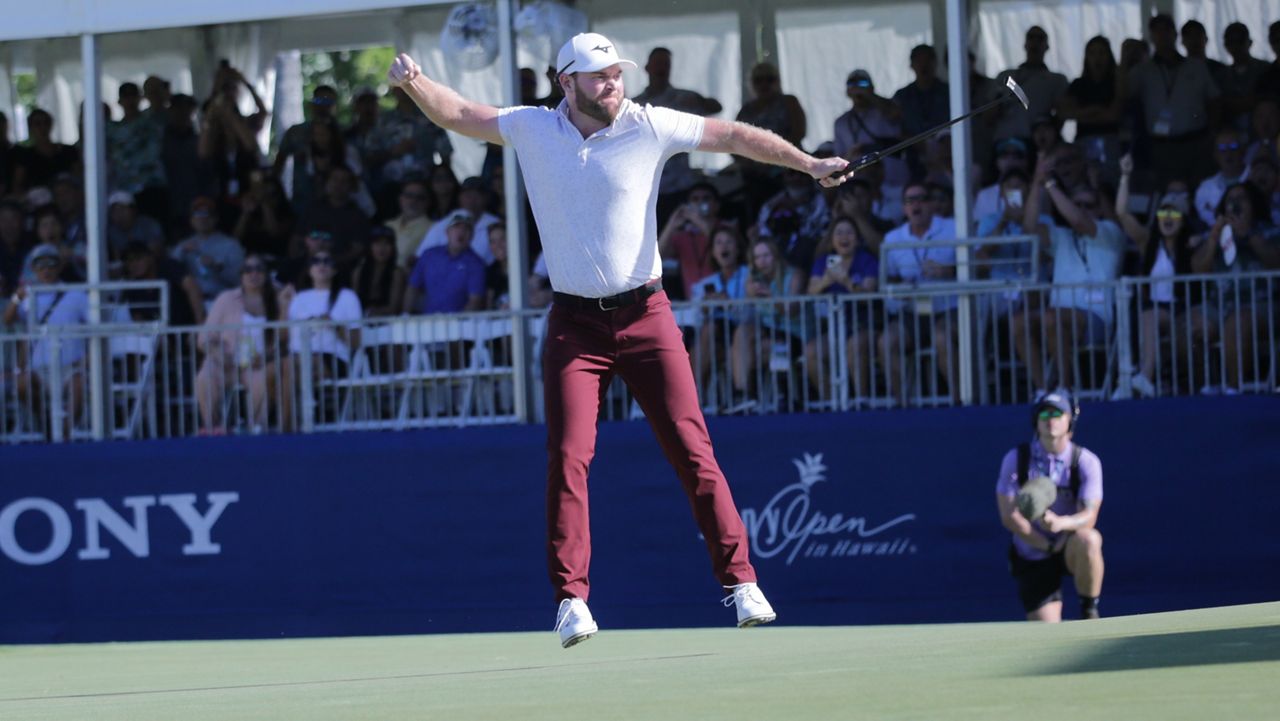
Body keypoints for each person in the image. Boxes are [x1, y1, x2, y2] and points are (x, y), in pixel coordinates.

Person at [388, 31, 849, 647]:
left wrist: (809, 164)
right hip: (575, 325)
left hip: (647, 316)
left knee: (694, 453)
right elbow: (460, 114)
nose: (612, 83)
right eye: (598, 75)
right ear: (567, 83)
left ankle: (741, 584)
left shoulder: (649, 123)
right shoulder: (529, 127)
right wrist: (413, 81)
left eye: (616, 74)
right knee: (569, 458)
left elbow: (734, 135)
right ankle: (572, 600)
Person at [995, 389, 1105, 622]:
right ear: (1036, 421)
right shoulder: (1016, 459)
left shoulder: (1086, 461)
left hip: (1069, 544)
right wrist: (1045, 544)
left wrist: (1061, 524)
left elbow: (1089, 515)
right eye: (1044, 415)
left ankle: (1089, 611)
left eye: (1057, 414)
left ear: (1069, 420)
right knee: (1046, 631)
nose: (1050, 420)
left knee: (1090, 539)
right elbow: (1008, 515)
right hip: (1032, 550)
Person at [1021, 155, 1126, 392]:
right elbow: (1029, 227)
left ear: (1099, 209)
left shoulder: (1111, 233)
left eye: (1087, 205)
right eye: (1076, 204)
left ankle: (1064, 386)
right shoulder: (1061, 236)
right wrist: (1037, 184)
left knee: (1051, 317)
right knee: (1019, 322)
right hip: (1058, 318)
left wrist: (1050, 185)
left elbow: (1079, 221)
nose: (1080, 209)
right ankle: (1043, 388)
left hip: (1096, 318)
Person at [2, 244, 89, 439]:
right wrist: (17, 297)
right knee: (22, 383)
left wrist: (86, 359)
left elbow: (95, 327)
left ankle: (65, 432)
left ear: (59, 267)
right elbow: (7, 320)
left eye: (51, 265)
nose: (46, 270)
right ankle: (47, 422)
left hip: (71, 366)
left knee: (78, 384)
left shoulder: (77, 295)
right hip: (38, 368)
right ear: (33, 270)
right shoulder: (28, 297)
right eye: (41, 266)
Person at [1127, 14, 1220, 189]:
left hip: (1197, 142)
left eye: (1166, 30)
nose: (1162, 35)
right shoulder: (1142, 71)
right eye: (1157, 31)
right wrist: (1126, 59)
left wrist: (1212, 133)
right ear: (1151, 36)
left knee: (1199, 189)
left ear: (1175, 34)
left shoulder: (1196, 66)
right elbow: (1124, 96)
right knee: (1168, 194)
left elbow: (1214, 100)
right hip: (1161, 146)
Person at [194, 253, 283, 434]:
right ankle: (214, 428)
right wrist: (221, 355)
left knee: (262, 380)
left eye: (259, 269)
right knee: (205, 376)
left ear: (267, 274)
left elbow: (287, 339)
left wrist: (267, 357)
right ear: (241, 275)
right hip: (225, 361)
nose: (253, 274)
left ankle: (257, 429)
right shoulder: (226, 299)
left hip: (260, 363)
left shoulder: (278, 298)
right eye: (247, 270)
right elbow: (204, 339)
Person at [281, 250, 363, 432]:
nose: (322, 265)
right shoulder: (299, 298)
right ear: (310, 269)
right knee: (272, 372)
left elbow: (356, 342)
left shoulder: (347, 296)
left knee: (287, 369)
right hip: (297, 357)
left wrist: (334, 325)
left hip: (332, 358)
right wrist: (284, 305)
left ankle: (286, 428)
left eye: (327, 261)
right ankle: (277, 425)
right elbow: (283, 336)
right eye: (316, 261)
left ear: (335, 269)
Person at [804, 216, 879, 405]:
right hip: (834, 327)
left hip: (864, 324)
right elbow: (811, 291)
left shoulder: (867, 260)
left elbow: (869, 291)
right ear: (831, 240)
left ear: (858, 238)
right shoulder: (823, 262)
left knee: (854, 346)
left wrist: (846, 281)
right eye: (839, 233)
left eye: (849, 232)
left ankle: (862, 399)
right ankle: (833, 402)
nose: (844, 237)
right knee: (811, 352)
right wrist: (826, 281)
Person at [404, 210, 486, 315]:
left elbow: (475, 301)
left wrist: (457, 323)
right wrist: (405, 314)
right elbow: (413, 287)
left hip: (457, 325)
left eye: (467, 228)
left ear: (472, 236)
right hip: (427, 322)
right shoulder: (429, 255)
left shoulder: (476, 264)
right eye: (456, 227)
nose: (461, 232)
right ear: (447, 232)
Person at [657, 182, 726, 299]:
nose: (700, 203)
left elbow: (717, 239)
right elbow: (657, 255)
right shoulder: (683, 235)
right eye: (695, 199)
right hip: (694, 303)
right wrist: (671, 224)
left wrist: (695, 218)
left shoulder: (726, 228)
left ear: (716, 205)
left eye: (706, 198)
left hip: (725, 300)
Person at [171, 197, 244, 302]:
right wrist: (180, 251)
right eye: (198, 214)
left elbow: (240, 279)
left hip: (222, 300)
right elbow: (170, 271)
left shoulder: (231, 244)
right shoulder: (183, 245)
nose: (202, 219)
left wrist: (218, 267)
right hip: (191, 304)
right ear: (191, 220)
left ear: (215, 219)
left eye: (207, 214)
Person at [351, 226, 406, 317]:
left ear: (393, 247)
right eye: (377, 243)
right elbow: (353, 304)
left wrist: (373, 312)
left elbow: (394, 308)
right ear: (370, 247)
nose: (382, 248)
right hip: (360, 322)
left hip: (388, 325)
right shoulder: (358, 272)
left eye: (387, 243)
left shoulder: (397, 273)